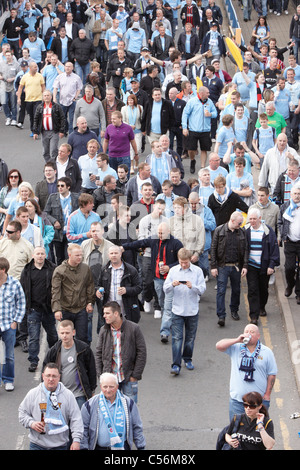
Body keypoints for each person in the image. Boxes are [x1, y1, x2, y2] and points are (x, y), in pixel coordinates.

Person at [216, 323, 277, 420]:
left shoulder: (267, 352)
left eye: (252, 332)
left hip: (258, 403)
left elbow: (272, 374)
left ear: (258, 336)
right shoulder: (236, 347)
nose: (249, 334)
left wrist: (267, 395)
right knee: (236, 431)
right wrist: (237, 340)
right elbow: (219, 346)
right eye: (246, 331)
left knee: (257, 431)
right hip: (238, 402)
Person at [18, 362, 83, 450]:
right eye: (48, 375)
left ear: (59, 377)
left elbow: (76, 419)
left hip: (60, 446)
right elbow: (22, 413)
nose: (51, 379)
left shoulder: (68, 395)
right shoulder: (33, 394)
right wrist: (31, 423)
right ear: (43, 376)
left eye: (54, 376)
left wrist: (76, 440)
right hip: (37, 445)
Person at [163, 248, 206, 375]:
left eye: (186, 262)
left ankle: (187, 359)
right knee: (177, 338)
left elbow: (202, 289)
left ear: (190, 260)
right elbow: (166, 289)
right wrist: (172, 284)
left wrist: (193, 287)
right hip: (177, 310)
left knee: (190, 338)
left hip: (192, 310)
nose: (183, 265)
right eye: (181, 262)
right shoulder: (173, 270)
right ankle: (176, 365)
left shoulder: (197, 271)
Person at [81, 372, 146, 450]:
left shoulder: (128, 403)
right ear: (101, 387)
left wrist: (141, 446)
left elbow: (137, 427)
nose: (108, 390)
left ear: (117, 386)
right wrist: (83, 447)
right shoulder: (89, 405)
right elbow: (83, 429)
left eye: (111, 387)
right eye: (105, 387)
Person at [43, 320, 97, 409]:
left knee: (80, 420)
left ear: (73, 332)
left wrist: (92, 389)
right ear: (59, 333)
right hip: (60, 394)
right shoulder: (54, 350)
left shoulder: (83, 349)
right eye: (62, 333)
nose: (64, 336)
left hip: (79, 394)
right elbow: (45, 369)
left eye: (67, 333)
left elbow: (91, 370)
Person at [20, 247, 58, 373]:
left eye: (42, 254)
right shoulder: (27, 270)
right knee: (34, 337)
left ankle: (53, 358)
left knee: (52, 335)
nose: (40, 256)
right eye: (38, 254)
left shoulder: (52, 268)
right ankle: (33, 361)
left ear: (45, 255)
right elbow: (23, 288)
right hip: (34, 309)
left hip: (48, 309)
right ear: (33, 255)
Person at [210, 211, 249, 327]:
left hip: (236, 266)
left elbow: (246, 250)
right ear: (232, 221)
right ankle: (221, 316)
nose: (240, 225)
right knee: (221, 291)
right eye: (239, 223)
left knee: (236, 290)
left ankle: (234, 310)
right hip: (223, 266)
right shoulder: (219, 230)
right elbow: (213, 248)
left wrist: (245, 266)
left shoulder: (242, 232)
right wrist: (213, 266)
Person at [51, 243, 95, 343]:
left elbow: (90, 286)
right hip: (66, 309)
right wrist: (57, 309)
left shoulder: (85, 268)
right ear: (69, 255)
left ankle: (82, 357)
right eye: (77, 255)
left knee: (82, 338)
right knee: (66, 338)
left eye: (81, 255)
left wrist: (89, 302)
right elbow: (55, 291)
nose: (80, 257)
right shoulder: (59, 271)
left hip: (81, 309)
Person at [244, 208, 280, 324]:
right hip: (251, 265)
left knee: (263, 289)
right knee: (253, 290)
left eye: (255, 218)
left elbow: (274, 250)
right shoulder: (245, 231)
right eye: (250, 219)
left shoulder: (268, 231)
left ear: (260, 219)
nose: (252, 221)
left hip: (264, 266)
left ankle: (261, 306)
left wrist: (271, 265)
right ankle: (254, 316)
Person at [96, 245, 142, 324]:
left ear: (120, 254)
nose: (114, 255)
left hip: (126, 310)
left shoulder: (131, 270)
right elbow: (98, 285)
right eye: (111, 253)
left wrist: (126, 290)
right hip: (110, 311)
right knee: (110, 334)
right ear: (108, 255)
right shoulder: (104, 270)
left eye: (116, 253)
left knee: (126, 334)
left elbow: (139, 287)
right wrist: (98, 291)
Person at [0, 257, 26, 392]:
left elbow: (21, 303)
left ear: (3, 270)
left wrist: (16, 321)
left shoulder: (14, 283)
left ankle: (8, 379)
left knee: (9, 355)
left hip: (8, 325)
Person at [182, 86, 217, 173]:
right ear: (201, 93)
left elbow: (215, 113)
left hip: (205, 130)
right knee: (191, 149)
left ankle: (202, 167)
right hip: (194, 129)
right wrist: (184, 127)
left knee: (204, 149)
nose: (209, 94)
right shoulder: (192, 102)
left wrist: (210, 114)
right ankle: (192, 160)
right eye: (207, 93)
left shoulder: (209, 102)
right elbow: (185, 114)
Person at [278, 183, 300, 304]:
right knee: (290, 267)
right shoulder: (285, 206)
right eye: (295, 194)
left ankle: (299, 293)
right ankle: (290, 285)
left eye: (299, 194)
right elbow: (280, 222)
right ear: (291, 195)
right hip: (290, 242)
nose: (297, 196)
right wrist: (283, 235)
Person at [33, 89, 66, 162]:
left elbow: (62, 118)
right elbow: (36, 119)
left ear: (51, 97)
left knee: (54, 150)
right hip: (44, 132)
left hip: (54, 132)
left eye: (48, 95)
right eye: (45, 96)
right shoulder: (40, 107)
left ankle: (54, 165)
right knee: (45, 151)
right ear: (43, 97)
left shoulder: (56, 106)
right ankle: (48, 165)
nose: (46, 97)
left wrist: (61, 131)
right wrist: (35, 132)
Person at [53, 62, 83, 135]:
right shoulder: (60, 77)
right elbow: (55, 87)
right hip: (62, 100)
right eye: (66, 66)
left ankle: (71, 133)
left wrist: (75, 97)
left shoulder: (76, 77)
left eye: (69, 66)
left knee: (72, 118)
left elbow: (79, 88)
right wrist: (54, 98)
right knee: (63, 117)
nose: (67, 68)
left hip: (72, 101)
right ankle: (64, 129)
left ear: (72, 68)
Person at [17, 61, 45, 137]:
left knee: (37, 114)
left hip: (38, 99)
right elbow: (20, 87)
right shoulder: (25, 76)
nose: (36, 68)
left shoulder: (40, 76)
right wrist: (19, 98)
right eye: (35, 67)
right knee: (31, 116)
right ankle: (33, 130)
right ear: (30, 68)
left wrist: (44, 96)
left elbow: (43, 86)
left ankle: (36, 131)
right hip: (28, 99)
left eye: (36, 67)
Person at [0, 169, 23, 234]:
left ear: (19, 178)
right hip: (5, 220)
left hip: (19, 221)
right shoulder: (4, 190)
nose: (13, 179)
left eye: (15, 177)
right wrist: (4, 211)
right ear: (8, 178)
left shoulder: (23, 189)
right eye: (11, 177)